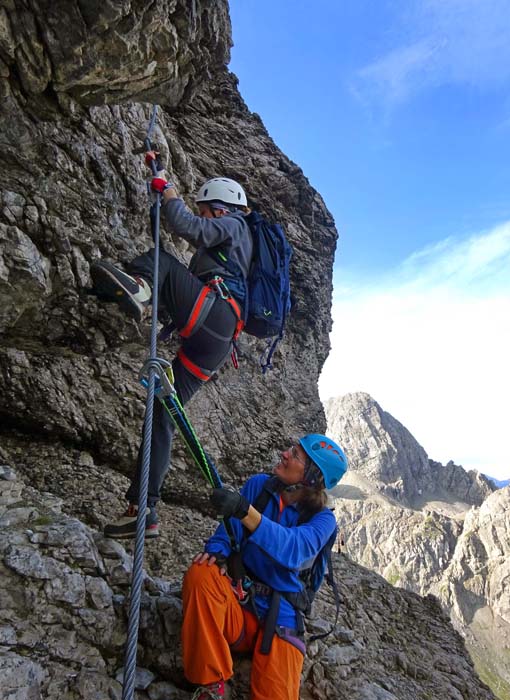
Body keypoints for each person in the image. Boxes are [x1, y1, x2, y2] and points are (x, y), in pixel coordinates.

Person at [91, 159, 253, 538]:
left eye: (205, 210)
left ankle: (140, 289)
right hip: (212, 343)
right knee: (162, 414)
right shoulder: (229, 245)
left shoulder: (234, 224)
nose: (204, 216)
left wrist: (169, 190)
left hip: (214, 318)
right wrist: (158, 196)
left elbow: (185, 227)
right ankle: (142, 509)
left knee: (159, 261)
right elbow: (169, 228)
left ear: (220, 206)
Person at [182, 434, 348, 700]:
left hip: (281, 618)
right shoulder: (260, 487)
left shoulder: (323, 520)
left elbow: (293, 549)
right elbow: (227, 534)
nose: (284, 454)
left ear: (312, 477)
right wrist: (217, 553)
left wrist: (245, 511)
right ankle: (210, 685)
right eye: (291, 449)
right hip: (239, 603)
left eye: (295, 455)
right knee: (202, 574)